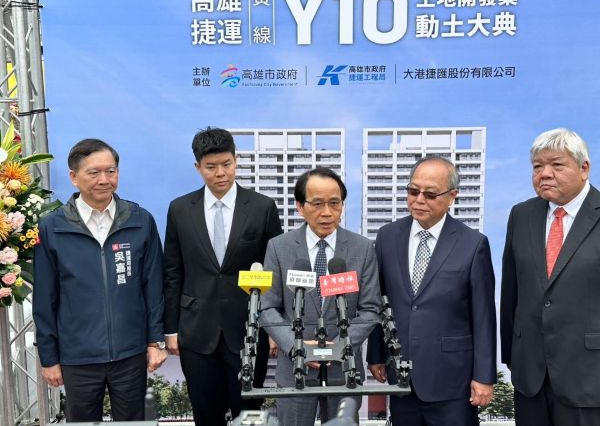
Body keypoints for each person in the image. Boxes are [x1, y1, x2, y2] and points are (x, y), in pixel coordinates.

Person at [33, 138, 166, 422]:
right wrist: (49, 358)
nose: (104, 180)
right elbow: (44, 299)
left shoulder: (140, 220)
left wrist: (156, 342)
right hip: (77, 356)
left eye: (111, 171)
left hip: (130, 353)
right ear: (73, 177)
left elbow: (154, 286)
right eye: (94, 172)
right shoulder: (52, 227)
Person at [163, 127, 282, 426]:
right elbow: (173, 271)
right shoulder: (180, 209)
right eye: (211, 167)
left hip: (248, 330)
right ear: (197, 167)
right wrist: (171, 329)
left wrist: (273, 327)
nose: (220, 173)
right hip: (196, 331)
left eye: (227, 164)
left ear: (236, 160)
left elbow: (273, 271)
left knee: (250, 414)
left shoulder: (262, 207)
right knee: (205, 414)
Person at [367, 156, 496, 426]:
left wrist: (484, 376)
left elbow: (484, 316)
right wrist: (376, 355)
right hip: (401, 377)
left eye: (430, 194)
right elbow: (380, 300)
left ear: (452, 196)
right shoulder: (387, 237)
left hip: (453, 380)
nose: (419, 200)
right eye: (413, 191)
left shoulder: (473, 244)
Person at [261, 167, 381, 426]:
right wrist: (296, 346)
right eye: (317, 204)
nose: (327, 212)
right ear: (300, 206)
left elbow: (371, 309)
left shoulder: (362, 248)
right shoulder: (279, 247)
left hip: (344, 369)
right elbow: (267, 308)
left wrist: (338, 347)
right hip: (295, 370)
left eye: (334, 203)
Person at [500, 128, 600, 426]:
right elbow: (511, 291)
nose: (544, 174)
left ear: (584, 168)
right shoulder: (521, 215)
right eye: (537, 166)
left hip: (588, 376)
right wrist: (511, 355)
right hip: (530, 375)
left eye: (557, 165)